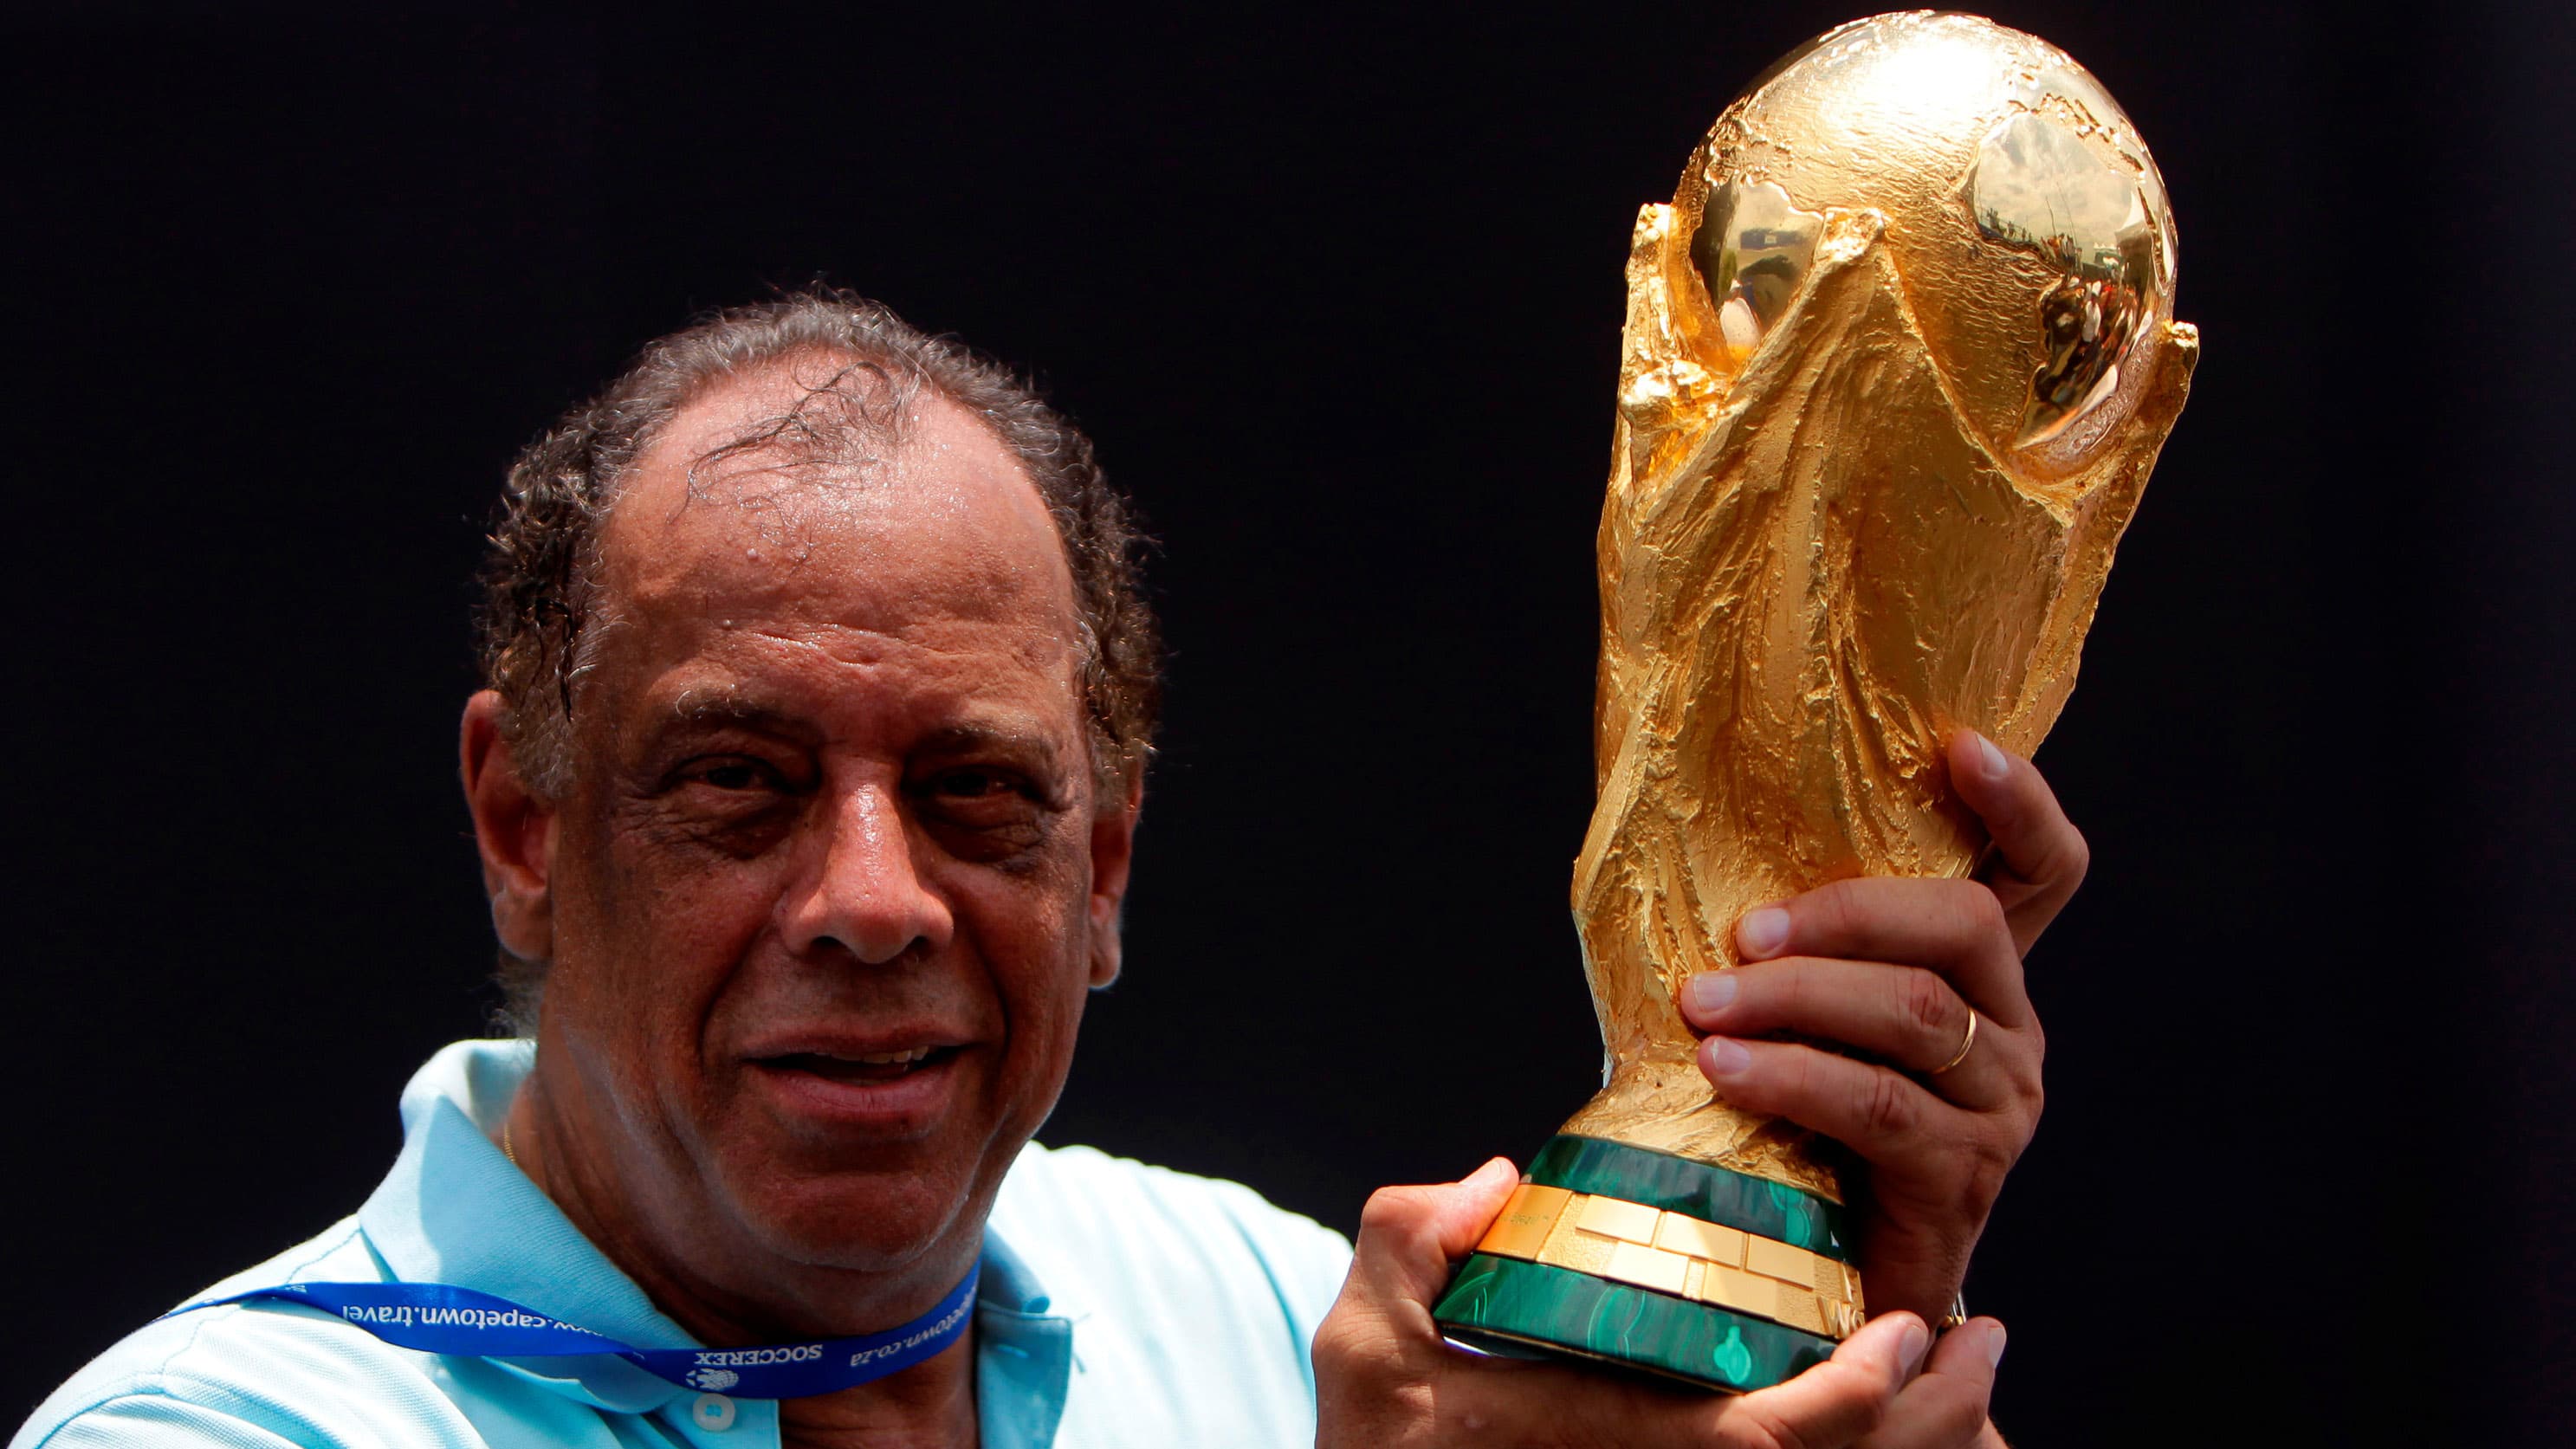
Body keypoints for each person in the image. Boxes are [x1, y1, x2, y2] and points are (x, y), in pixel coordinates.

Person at [15, 292, 2071, 1449]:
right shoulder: (221, 1436)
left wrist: (1831, 1279)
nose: (874, 898)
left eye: (980, 796)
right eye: (735, 782)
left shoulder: (1279, 1321)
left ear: (1102, 869)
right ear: (524, 829)